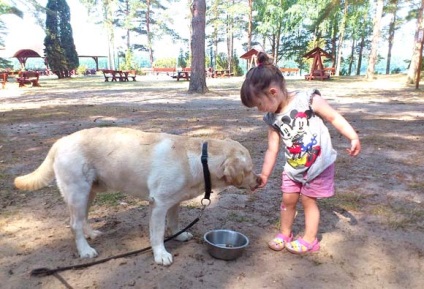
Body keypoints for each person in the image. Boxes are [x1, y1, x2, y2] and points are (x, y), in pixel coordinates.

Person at [240, 52, 361, 254]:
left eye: (259, 104)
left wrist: (353, 137)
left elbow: (333, 117)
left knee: (308, 200)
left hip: (318, 165)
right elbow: (272, 148)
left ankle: (309, 239)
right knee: (287, 200)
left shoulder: (308, 100)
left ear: (273, 92)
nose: (259, 110)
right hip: (294, 166)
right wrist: (265, 175)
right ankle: (284, 233)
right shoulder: (272, 119)